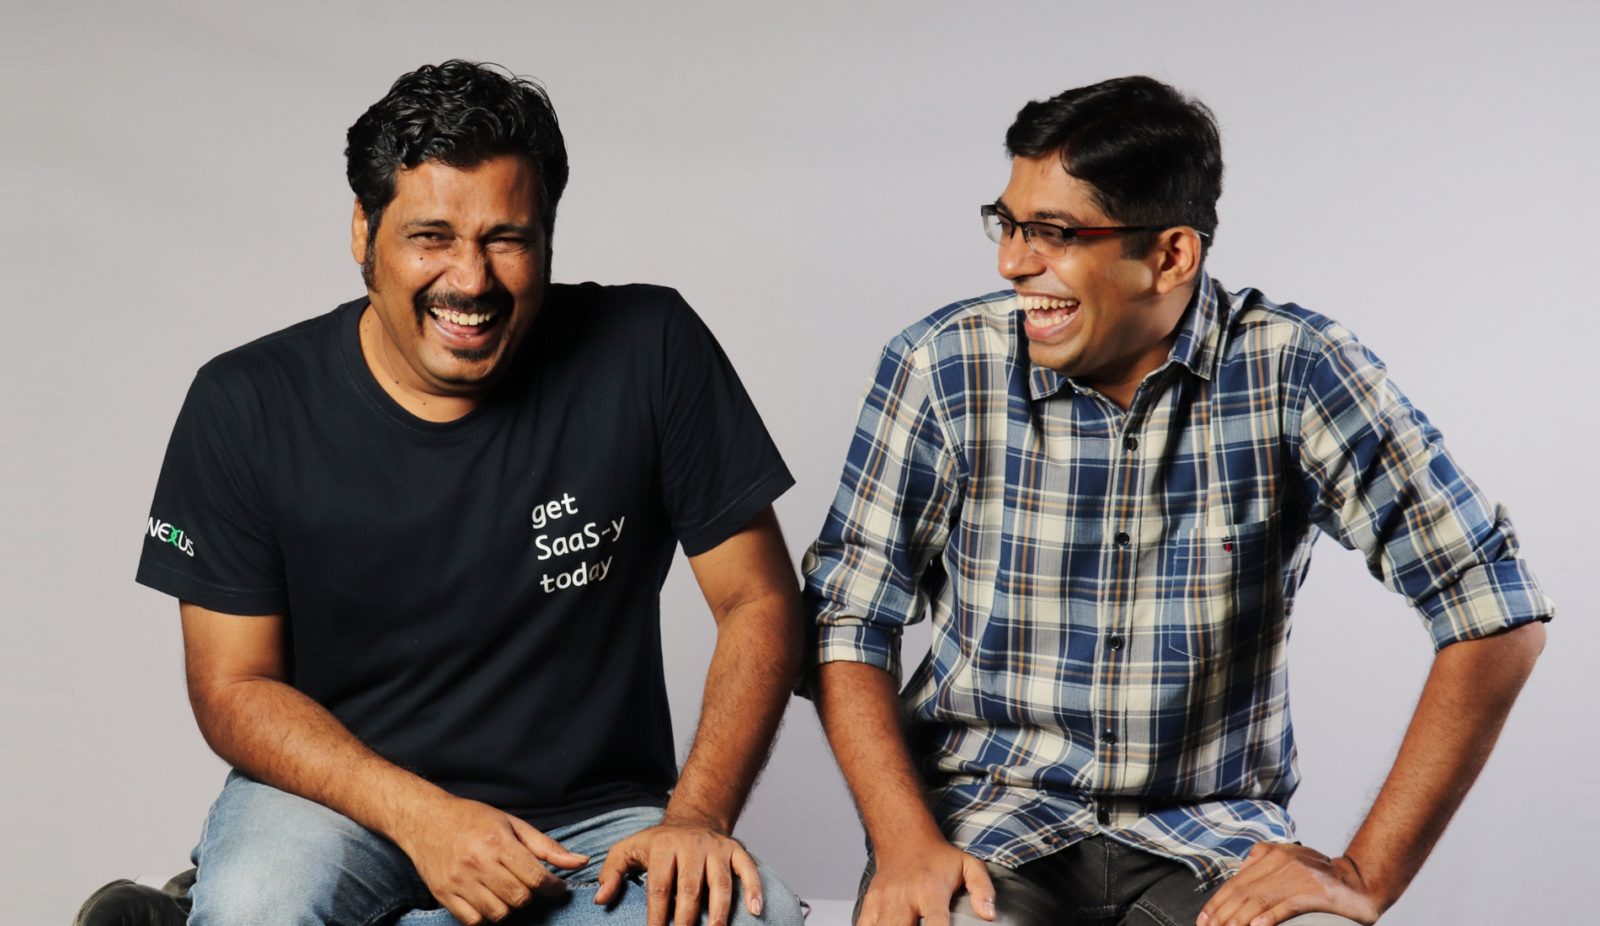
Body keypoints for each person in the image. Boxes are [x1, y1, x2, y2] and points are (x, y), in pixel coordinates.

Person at [803, 76, 1550, 926]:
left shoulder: (1298, 371)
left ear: (1171, 255)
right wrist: (903, 844)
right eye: (1007, 224)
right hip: (986, 824)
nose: (1012, 261)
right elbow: (847, 617)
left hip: (1215, 838)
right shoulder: (942, 367)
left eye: (1052, 233)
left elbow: (1495, 609)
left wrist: (1364, 871)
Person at [131, 59, 806, 926]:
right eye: (432, 237)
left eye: (507, 239)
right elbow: (232, 686)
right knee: (260, 907)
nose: (472, 280)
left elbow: (757, 597)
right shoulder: (244, 401)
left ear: (549, 239)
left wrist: (699, 816)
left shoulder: (652, 347)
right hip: (339, 806)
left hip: (592, 821)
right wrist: (423, 817)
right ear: (362, 232)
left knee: (761, 919)